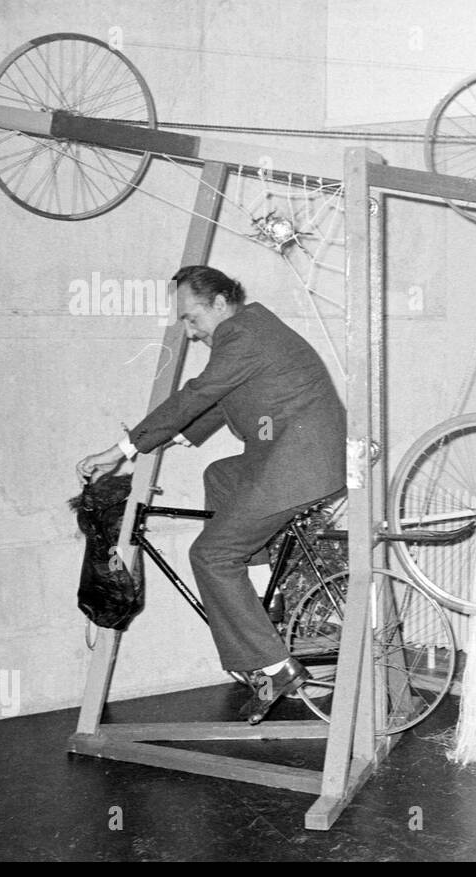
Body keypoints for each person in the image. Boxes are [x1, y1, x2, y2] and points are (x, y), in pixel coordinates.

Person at [76, 265, 346, 723]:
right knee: (221, 475)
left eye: (191, 317)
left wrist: (123, 448)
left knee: (211, 555)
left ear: (220, 303)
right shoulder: (253, 329)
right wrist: (175, 437)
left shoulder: (242, 333)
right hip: (293, 454)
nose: (189, 330)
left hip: (299, 463)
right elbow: (224, 398)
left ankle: (276, 668)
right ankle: (263, 592)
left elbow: (201, 392)